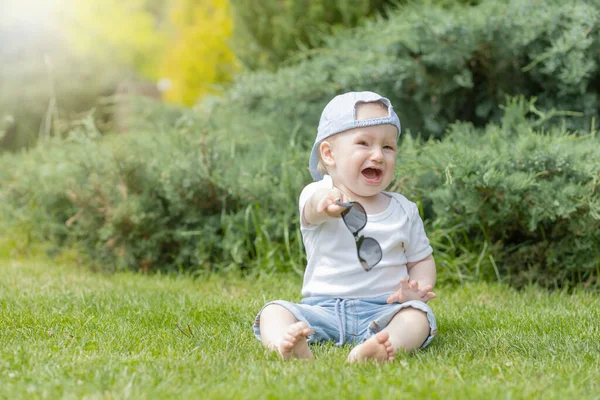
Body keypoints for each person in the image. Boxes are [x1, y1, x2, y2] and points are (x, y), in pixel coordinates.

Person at [253, 91, 438, 363]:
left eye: (388, 147)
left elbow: (421, 258)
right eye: (364, 143)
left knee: (418, 316)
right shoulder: (319, 192)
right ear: (329, 154)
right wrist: (325, 203)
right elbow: (311, 209)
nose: (378, 155)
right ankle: (287, 344)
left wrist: (418, 288)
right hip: (322, 309)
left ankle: (384, 346)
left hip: (384, 311)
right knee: (274, 311)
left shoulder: (404, 209)